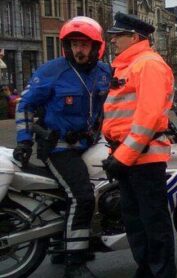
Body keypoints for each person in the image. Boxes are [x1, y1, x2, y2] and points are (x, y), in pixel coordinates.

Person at [13, 17, 111, 278]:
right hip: (58, 147)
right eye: (74, 44)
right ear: (67, 47)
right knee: (81, 196)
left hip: (90, 142)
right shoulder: (51, 71)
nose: (79, 50)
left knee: (107, 182)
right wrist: (23, 141)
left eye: (84, 44)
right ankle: (74, 262)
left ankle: (63, 245)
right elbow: (25, 105)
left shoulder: (104, 72)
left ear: (96, 47)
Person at [100, 13, 176, 278]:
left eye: (118, 36)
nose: (114, 41)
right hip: (131, 157)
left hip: (142, 159)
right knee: (136, 222)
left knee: (152, 222)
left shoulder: (148, 65)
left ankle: (159, 273)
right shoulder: (130, 65)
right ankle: (147, 270)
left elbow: (148, 117)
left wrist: (123, 156)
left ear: (134, 37)